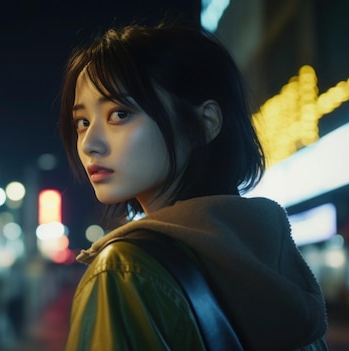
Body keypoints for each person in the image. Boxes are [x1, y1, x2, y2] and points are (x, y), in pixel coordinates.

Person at [59, 22, 329, 350]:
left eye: (119, 114)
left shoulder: (123, 269)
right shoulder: (275, 263)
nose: (89, 144)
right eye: (82, 122)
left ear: (206, 123)